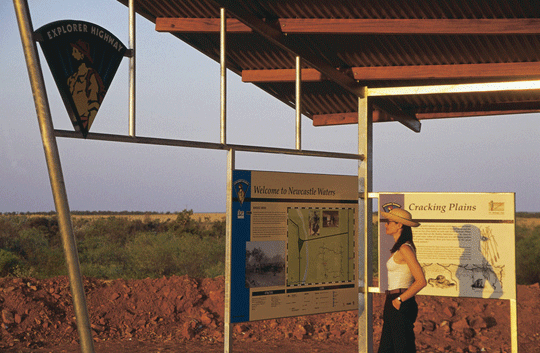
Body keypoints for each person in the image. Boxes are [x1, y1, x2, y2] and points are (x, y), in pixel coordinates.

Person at [378, 208, 427, 353]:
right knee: (387, 348)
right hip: (394, 300)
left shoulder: (405, 248)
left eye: (389, 222)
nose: (386, 225)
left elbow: (421, 281)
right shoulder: (401, 248)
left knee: (402, 348)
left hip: (400, 301)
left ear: (399, 225)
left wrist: (399, 300)